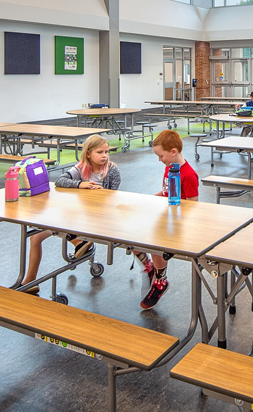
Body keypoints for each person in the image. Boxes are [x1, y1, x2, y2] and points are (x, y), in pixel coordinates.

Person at [19, 135, 120, 294]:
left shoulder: (112, 170)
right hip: (76, 217)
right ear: (88, 154)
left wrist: (104, 193)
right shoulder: (80, 169)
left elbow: (114, 196)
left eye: (106, 152)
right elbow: (60, 181)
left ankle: (80, 243)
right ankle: (31, 281)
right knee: (35, 237)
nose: (104, 156)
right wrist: (81, 184)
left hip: (97, 218)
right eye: (99, 152)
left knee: (61, 218)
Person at [136, 129, 199, 309]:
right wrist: (150, 198)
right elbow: (166, 192)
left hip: (178, 224)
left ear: (173, 152)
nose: (159, 160)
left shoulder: (188, 175)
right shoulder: (170, 167)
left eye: (160, 156)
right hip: (166, 215)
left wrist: (172, 214)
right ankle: (150, 268)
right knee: (129, 231)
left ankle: (160, 280)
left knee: (154, 238)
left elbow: (194, 206)